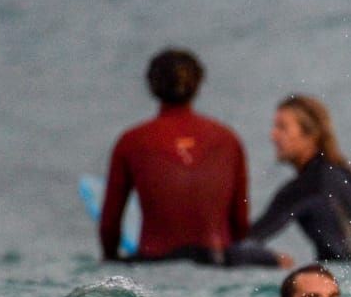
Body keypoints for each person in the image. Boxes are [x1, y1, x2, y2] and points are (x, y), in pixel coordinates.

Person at [101, 49, 253, 264]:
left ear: (151, 86)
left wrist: (110, 259)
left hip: (153, 261)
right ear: (198, 84)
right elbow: (240, 222)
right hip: (217, 260)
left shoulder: (131, 141)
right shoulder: (227, 138)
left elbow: (110, 224)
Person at [230, 96, 351, 268]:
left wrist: (272, 260)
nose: (273, 135)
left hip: (337, 283)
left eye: (282, 127)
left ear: (311, 134)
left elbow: (243, 244)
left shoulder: (306, 186)